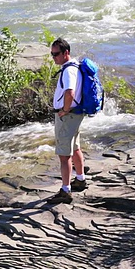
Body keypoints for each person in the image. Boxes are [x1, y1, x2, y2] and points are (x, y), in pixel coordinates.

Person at [47, 37, 87, 204]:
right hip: (75, 114)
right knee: (75, 147)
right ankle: (80, 179)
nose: (53, 57)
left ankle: (66, 191)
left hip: (68, 116)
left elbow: (69, 93)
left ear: (66, 53)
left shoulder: (69, 70)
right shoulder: (74, 67)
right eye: (52, 54)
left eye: (56, 54)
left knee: (64, 155)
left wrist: (64, 110)